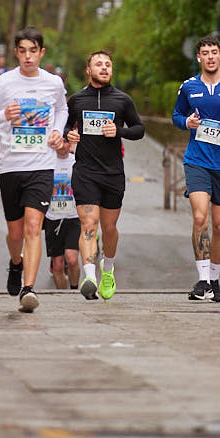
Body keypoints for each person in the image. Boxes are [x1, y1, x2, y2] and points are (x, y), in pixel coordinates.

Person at [0, 27, 67, 312]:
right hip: (10, 166)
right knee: (16, 233)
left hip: (42, 165)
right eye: (22, 51)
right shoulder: (4, 83)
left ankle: (28, 289)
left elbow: (62, 109)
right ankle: (15, 262)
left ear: (42, 53)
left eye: (33, 51)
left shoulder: (53, 83)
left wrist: (57, 132)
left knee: (34, 226)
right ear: (16, 53)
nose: (28, 56)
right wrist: (1, 115)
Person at [172, 36, 220, 302]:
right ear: (199, 58)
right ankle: (202, 279)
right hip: (197, 160)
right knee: (199, 218)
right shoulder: (189, 86)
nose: (210, 57)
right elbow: (176, 116)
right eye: (205, 53)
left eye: (214, 52)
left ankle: (214, 280)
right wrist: (187, 123)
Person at [65, 51, 145, 300]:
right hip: (85, 172)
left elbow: (139, 129)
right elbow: (67, 125)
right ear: (88, 70)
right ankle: (89, 276)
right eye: (98, 64)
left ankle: (106, 269)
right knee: (89, 224)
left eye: (108, 64)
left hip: (112, 173)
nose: (104, 68)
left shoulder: (122, 100)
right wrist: (70, 134)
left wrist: (118, 131)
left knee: (109, 228)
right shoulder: (76, 100)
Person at [45, 145, 81, 289]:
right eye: (59, 141)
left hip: (73, 216)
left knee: (72, 259)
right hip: (52, 218)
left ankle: (73, 289)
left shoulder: (77, 162)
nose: (62, 146)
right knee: (58, 265)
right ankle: (62, 296)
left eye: (66, 141)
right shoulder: (46, 161)